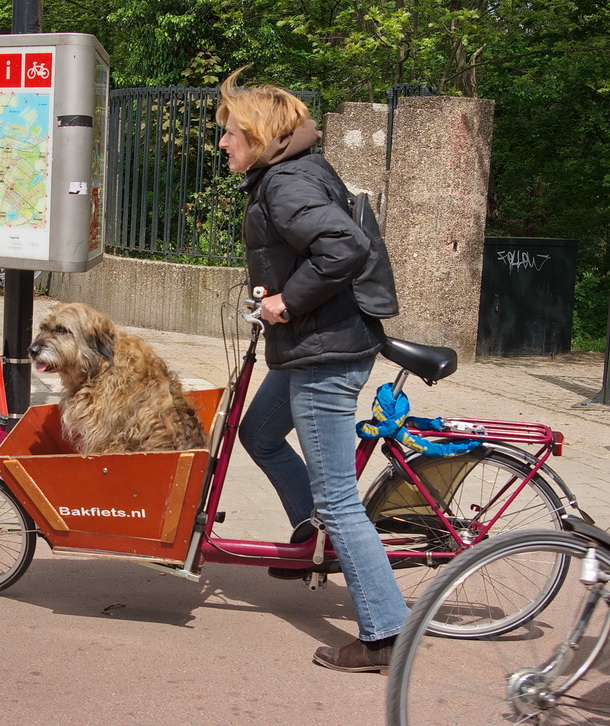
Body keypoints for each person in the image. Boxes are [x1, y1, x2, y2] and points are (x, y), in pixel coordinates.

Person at [217, 68, 408, 673]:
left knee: (340, 498)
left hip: (324, 352)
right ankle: (309, 535)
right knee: (261, 433)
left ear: (258, 134)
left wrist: (285, 301)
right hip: (315, 346)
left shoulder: (285, 185)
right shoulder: (292, 173)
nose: (221, 143)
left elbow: (344, 249)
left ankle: (384, 636)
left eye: (229, 133)